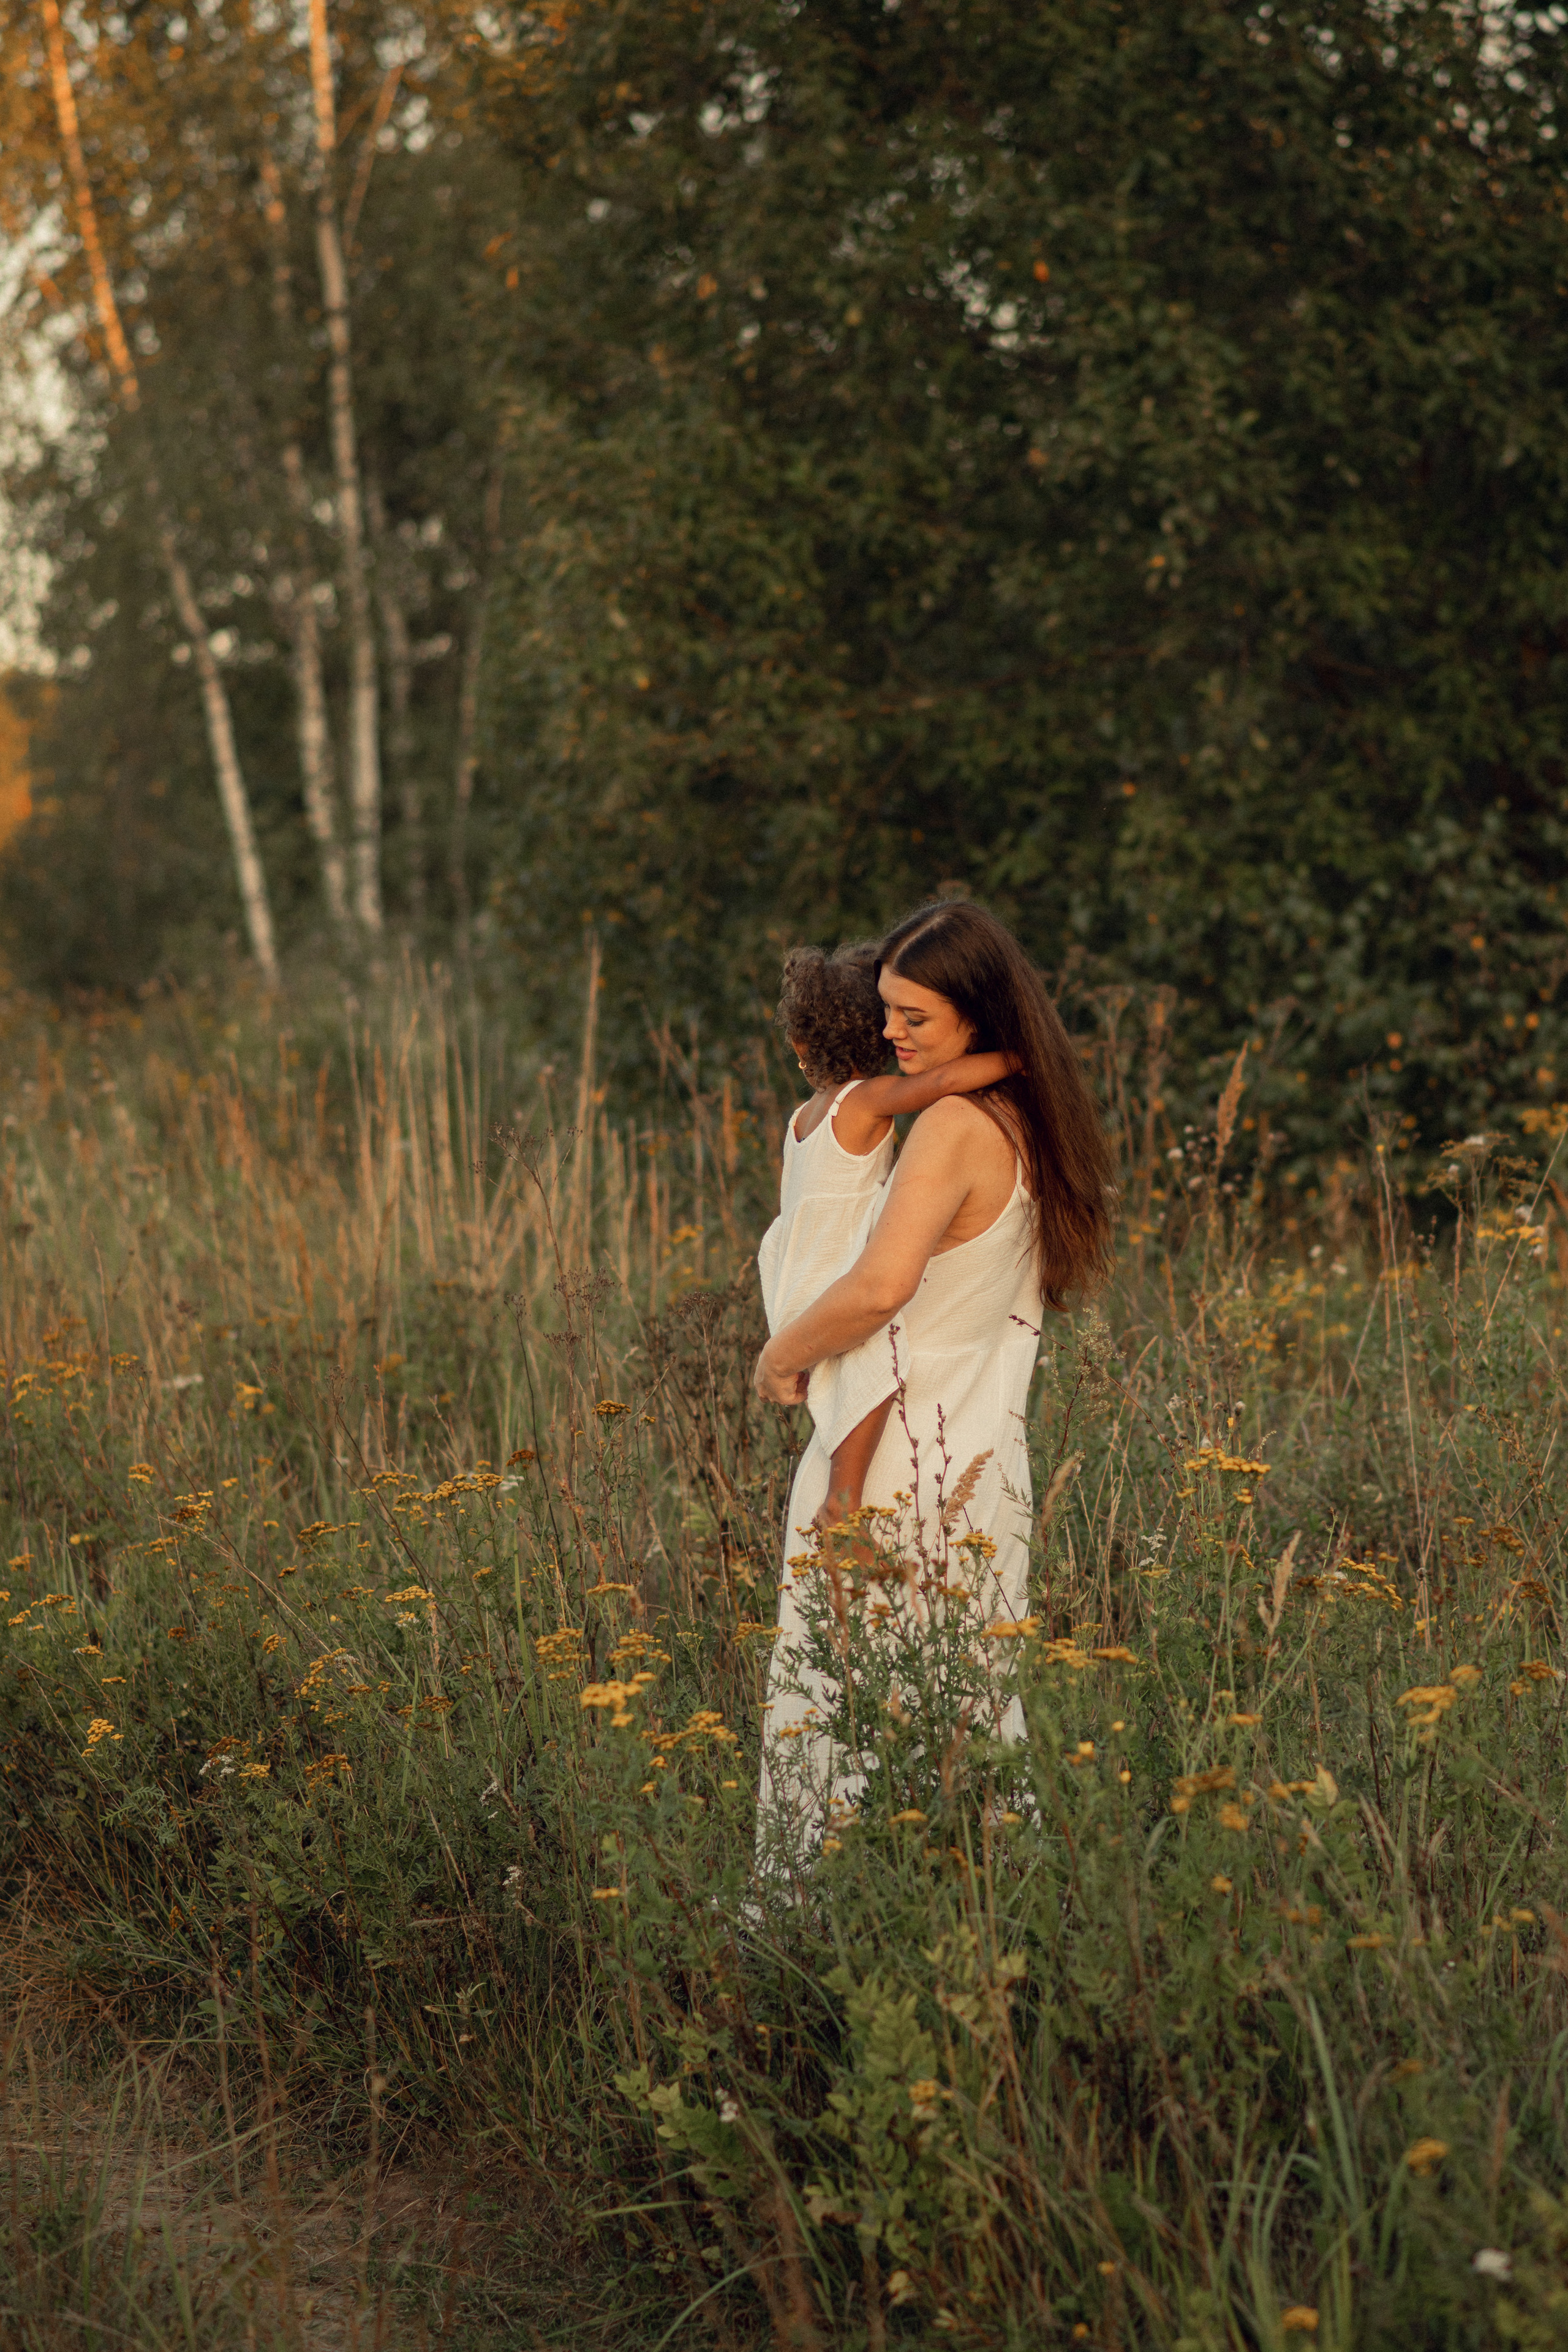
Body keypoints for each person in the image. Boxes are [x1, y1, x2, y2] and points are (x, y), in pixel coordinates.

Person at [752, 900, 1115, 1849]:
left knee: (840, 1725)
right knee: (967, 1721)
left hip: (895, 1461)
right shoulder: (1030, 1119)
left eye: (914, 1017)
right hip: (984, 1460)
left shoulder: (954, 1122)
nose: (889, 1033)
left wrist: (781, 1355)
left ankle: (825, 1954)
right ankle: (987, 1927)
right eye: (887, 1011)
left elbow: (879, 1292)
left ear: (977, 1013)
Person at [757, 942, 1017, 1532]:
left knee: (847, 1377)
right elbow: (947, 1080)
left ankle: (835, 1491)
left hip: (797, 1265)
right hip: (842, 1263)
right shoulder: (866, 1101)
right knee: (874, 1370)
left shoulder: (802, 1116)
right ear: (878, 1037)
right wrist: (1017, 1060)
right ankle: (843, 1499)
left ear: (800, 1044)